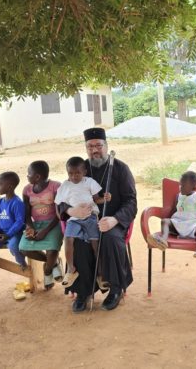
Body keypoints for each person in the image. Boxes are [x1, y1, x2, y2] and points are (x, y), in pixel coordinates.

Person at [58, 128, 137, 313]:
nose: (95, 150)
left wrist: (115, 220)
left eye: (98, 146)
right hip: (85, 220)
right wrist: (71, 210)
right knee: (78, 240)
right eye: (90, 147)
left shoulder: (120, 168)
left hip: (112, 221)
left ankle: (115, 289)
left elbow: (131, 202)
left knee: (109, 238)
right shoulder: (80, 168)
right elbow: (62, 199)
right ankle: (83, 291)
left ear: (106, 146)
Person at [56, 156, 108, 288]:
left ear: (84, 172)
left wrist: (105, 198)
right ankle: (71, 269)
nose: (74, 176)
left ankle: (100, 273)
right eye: (70, 173)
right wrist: (68, 214)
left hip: (90, 216)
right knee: (68, 239)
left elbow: (96, 199)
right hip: (74, 219)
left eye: (77, 173)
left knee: (95, 243)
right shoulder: (65, 186)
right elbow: (59, 204)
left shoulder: (89, 182)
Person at [147, 170, 196, 259]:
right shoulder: (178, 196)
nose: (180, 187)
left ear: (193, 188)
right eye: (180, 184)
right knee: (165, 221)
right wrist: (167, 222)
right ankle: (163, 240)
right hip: (179, 223)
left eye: (183, 185)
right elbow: (173, 210)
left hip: (193, 225)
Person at [19, 161, 63, 290]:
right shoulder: (27, 190)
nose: (27, 176)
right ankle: (53, 263)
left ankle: (47, 271)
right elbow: (27, 213)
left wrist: (46, 230)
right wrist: (30, 227)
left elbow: (59, 213)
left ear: (37, 177)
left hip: (54, 223)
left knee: (52, 249)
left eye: (29, 174)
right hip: (36, 224)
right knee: (24, 249)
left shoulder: (56, 187)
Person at [0, 171, 28, 288]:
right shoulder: (0, 202)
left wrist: (8, 235)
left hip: (14, 234)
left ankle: (22, 262)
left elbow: (19, 222)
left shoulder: (17, 203)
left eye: (0, 184)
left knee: (13, 247)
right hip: (0, 233)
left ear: (10, 187)